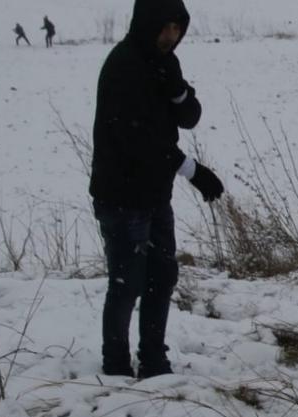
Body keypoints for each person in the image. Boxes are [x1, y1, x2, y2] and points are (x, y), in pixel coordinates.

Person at [89, 0, 225, 379]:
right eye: (165, 28)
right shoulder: (124, 66)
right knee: (127, 281)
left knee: (161, 276)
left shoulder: (164, 62)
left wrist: (178, 90)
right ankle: (115, 364)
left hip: (153, 194)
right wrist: (192, 170)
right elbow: (139, 138)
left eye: (177, 29)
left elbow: (189, 117)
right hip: (120, 195)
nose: (171, 36)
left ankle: (153, 359)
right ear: (146, 24)